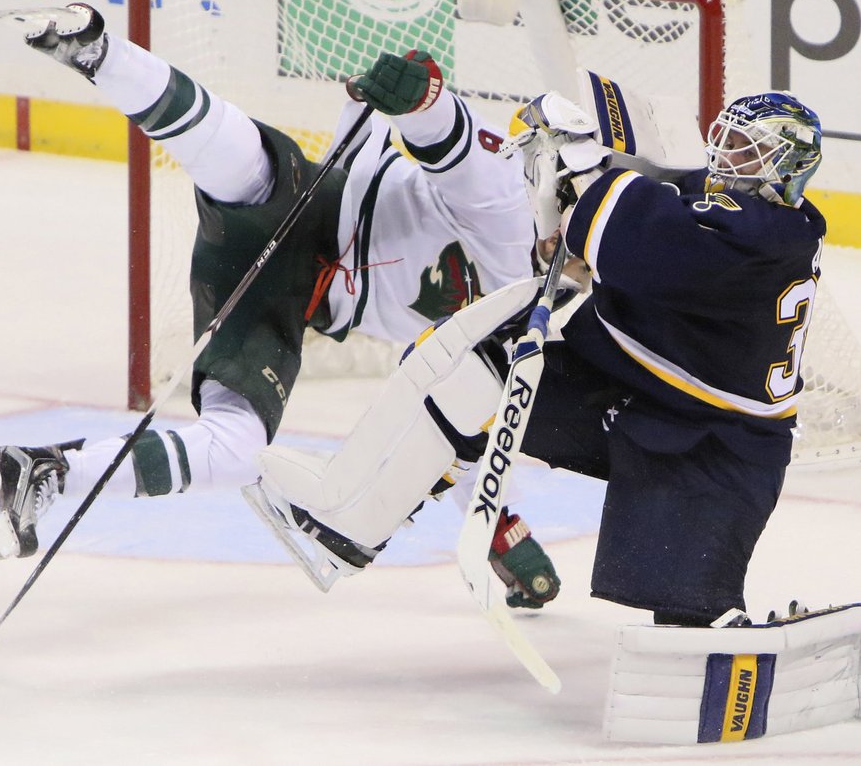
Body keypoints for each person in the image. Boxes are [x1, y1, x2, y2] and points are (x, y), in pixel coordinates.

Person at [0, 2, 560, 609]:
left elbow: (455, 420)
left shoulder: (527, 323)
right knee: (248, 165)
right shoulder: (514, 218)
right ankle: (100, 52)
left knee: (239, 447)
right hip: (308, 209)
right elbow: (460, 151)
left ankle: (40, 473)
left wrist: (499, 531)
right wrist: (425, 100)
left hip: (282, 303)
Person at [249, 82, 826, 628]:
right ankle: (349, 527)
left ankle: (727, 631)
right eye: (724, 141)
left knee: (691, 616)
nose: (727, 159)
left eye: (748, 152)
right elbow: (641, 227)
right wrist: (571, 216)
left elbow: (646, 236)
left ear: (789, 168)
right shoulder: (724, 206)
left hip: (715, 439)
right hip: (630, 380)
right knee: (470, 373)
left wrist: (581, 162)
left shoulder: (768, 237)